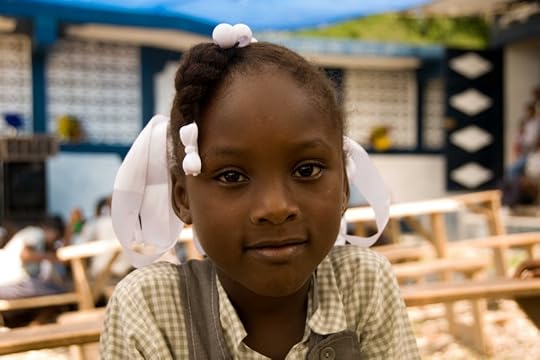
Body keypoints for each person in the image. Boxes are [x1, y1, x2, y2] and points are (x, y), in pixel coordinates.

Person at [100, 23, 419, 359]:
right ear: (182, 197)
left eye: (306, 170)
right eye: (232, 176)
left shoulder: (363, 285)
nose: (276, 207)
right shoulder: (150, 309)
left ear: (343, 185)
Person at [0, 215, 67, 299]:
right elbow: (25, 254)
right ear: (51, 230)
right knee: (58, 291)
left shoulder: (41, 244)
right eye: (56, 237)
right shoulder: (37, 232)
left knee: (55, 289)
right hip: (10, 284)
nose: (54, 242)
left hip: (11, 284)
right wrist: (51, 257)